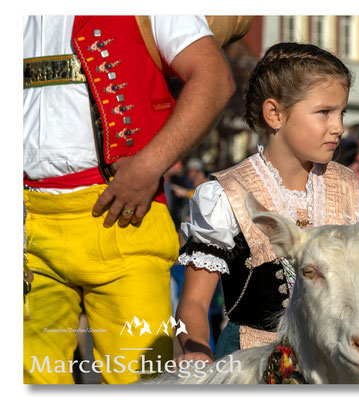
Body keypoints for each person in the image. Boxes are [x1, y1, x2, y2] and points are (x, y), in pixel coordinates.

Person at [175, 42, 359, 369]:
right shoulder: (227, 195)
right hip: (249, 366)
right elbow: (195, 303)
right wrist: (197, 350)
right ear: (275, 114)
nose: (338, 126)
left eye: (342, 113)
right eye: (324, 112)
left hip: (333, 366)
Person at [23, 16, 235, 384]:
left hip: (123, 214)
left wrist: (148, 166)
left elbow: (214, 80)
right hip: (27, 222)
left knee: (140, 382)